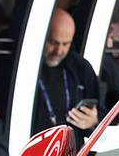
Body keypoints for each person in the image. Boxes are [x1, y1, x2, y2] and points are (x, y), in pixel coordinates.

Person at [33, 8, 103, 137]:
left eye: (66, 44)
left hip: (74, 153)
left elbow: (103, 113)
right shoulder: (26, 68)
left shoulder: (81, 68)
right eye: (53, 42)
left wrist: (95, 122)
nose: (59, 51)